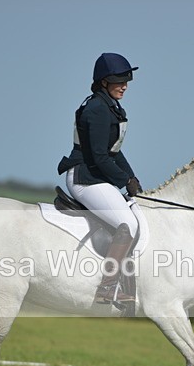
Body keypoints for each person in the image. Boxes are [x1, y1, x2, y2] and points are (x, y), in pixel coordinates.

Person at [57, 53, 143, 305]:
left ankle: (127, 291)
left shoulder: (110, 107)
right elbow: (98, 156)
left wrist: (132, 177)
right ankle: (106, 289)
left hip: (97, 175)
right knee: (126, 224)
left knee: (134, 217)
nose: (125, 85)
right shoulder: (96, 109)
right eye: (119, 80)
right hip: (85, 178)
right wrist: (124, 181)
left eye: (127, 79)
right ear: (104, 81)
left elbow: (115, 150)